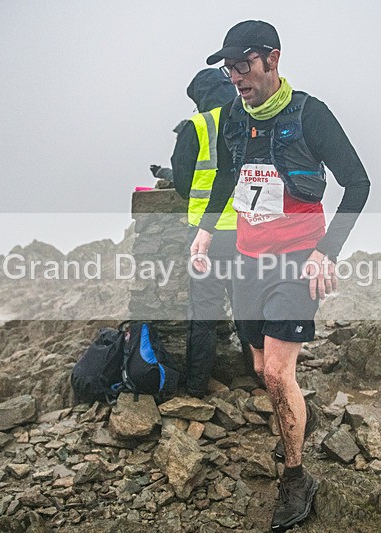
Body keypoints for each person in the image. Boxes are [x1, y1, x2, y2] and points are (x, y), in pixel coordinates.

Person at [191, 21, 370, 531]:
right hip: (248, 258)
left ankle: (296, 476)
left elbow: (357, 183)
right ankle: (289, 410)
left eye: (242, 65)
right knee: (258, 362)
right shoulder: (230, 114)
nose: (235, 77)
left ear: (272, 58)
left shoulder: (311, 115)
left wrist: (326, 252)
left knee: (275, 373)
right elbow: (227, 174)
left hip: (296, 260)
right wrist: (206, 231)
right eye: (228, 68)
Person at [169, 68, 248, 398]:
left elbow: (182, 181)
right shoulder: (246, 119)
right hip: (246, 232)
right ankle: (258, 375)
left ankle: (196, 385)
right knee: (246, 306)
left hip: (206, 233)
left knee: (203, 312)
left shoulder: (197, 126)